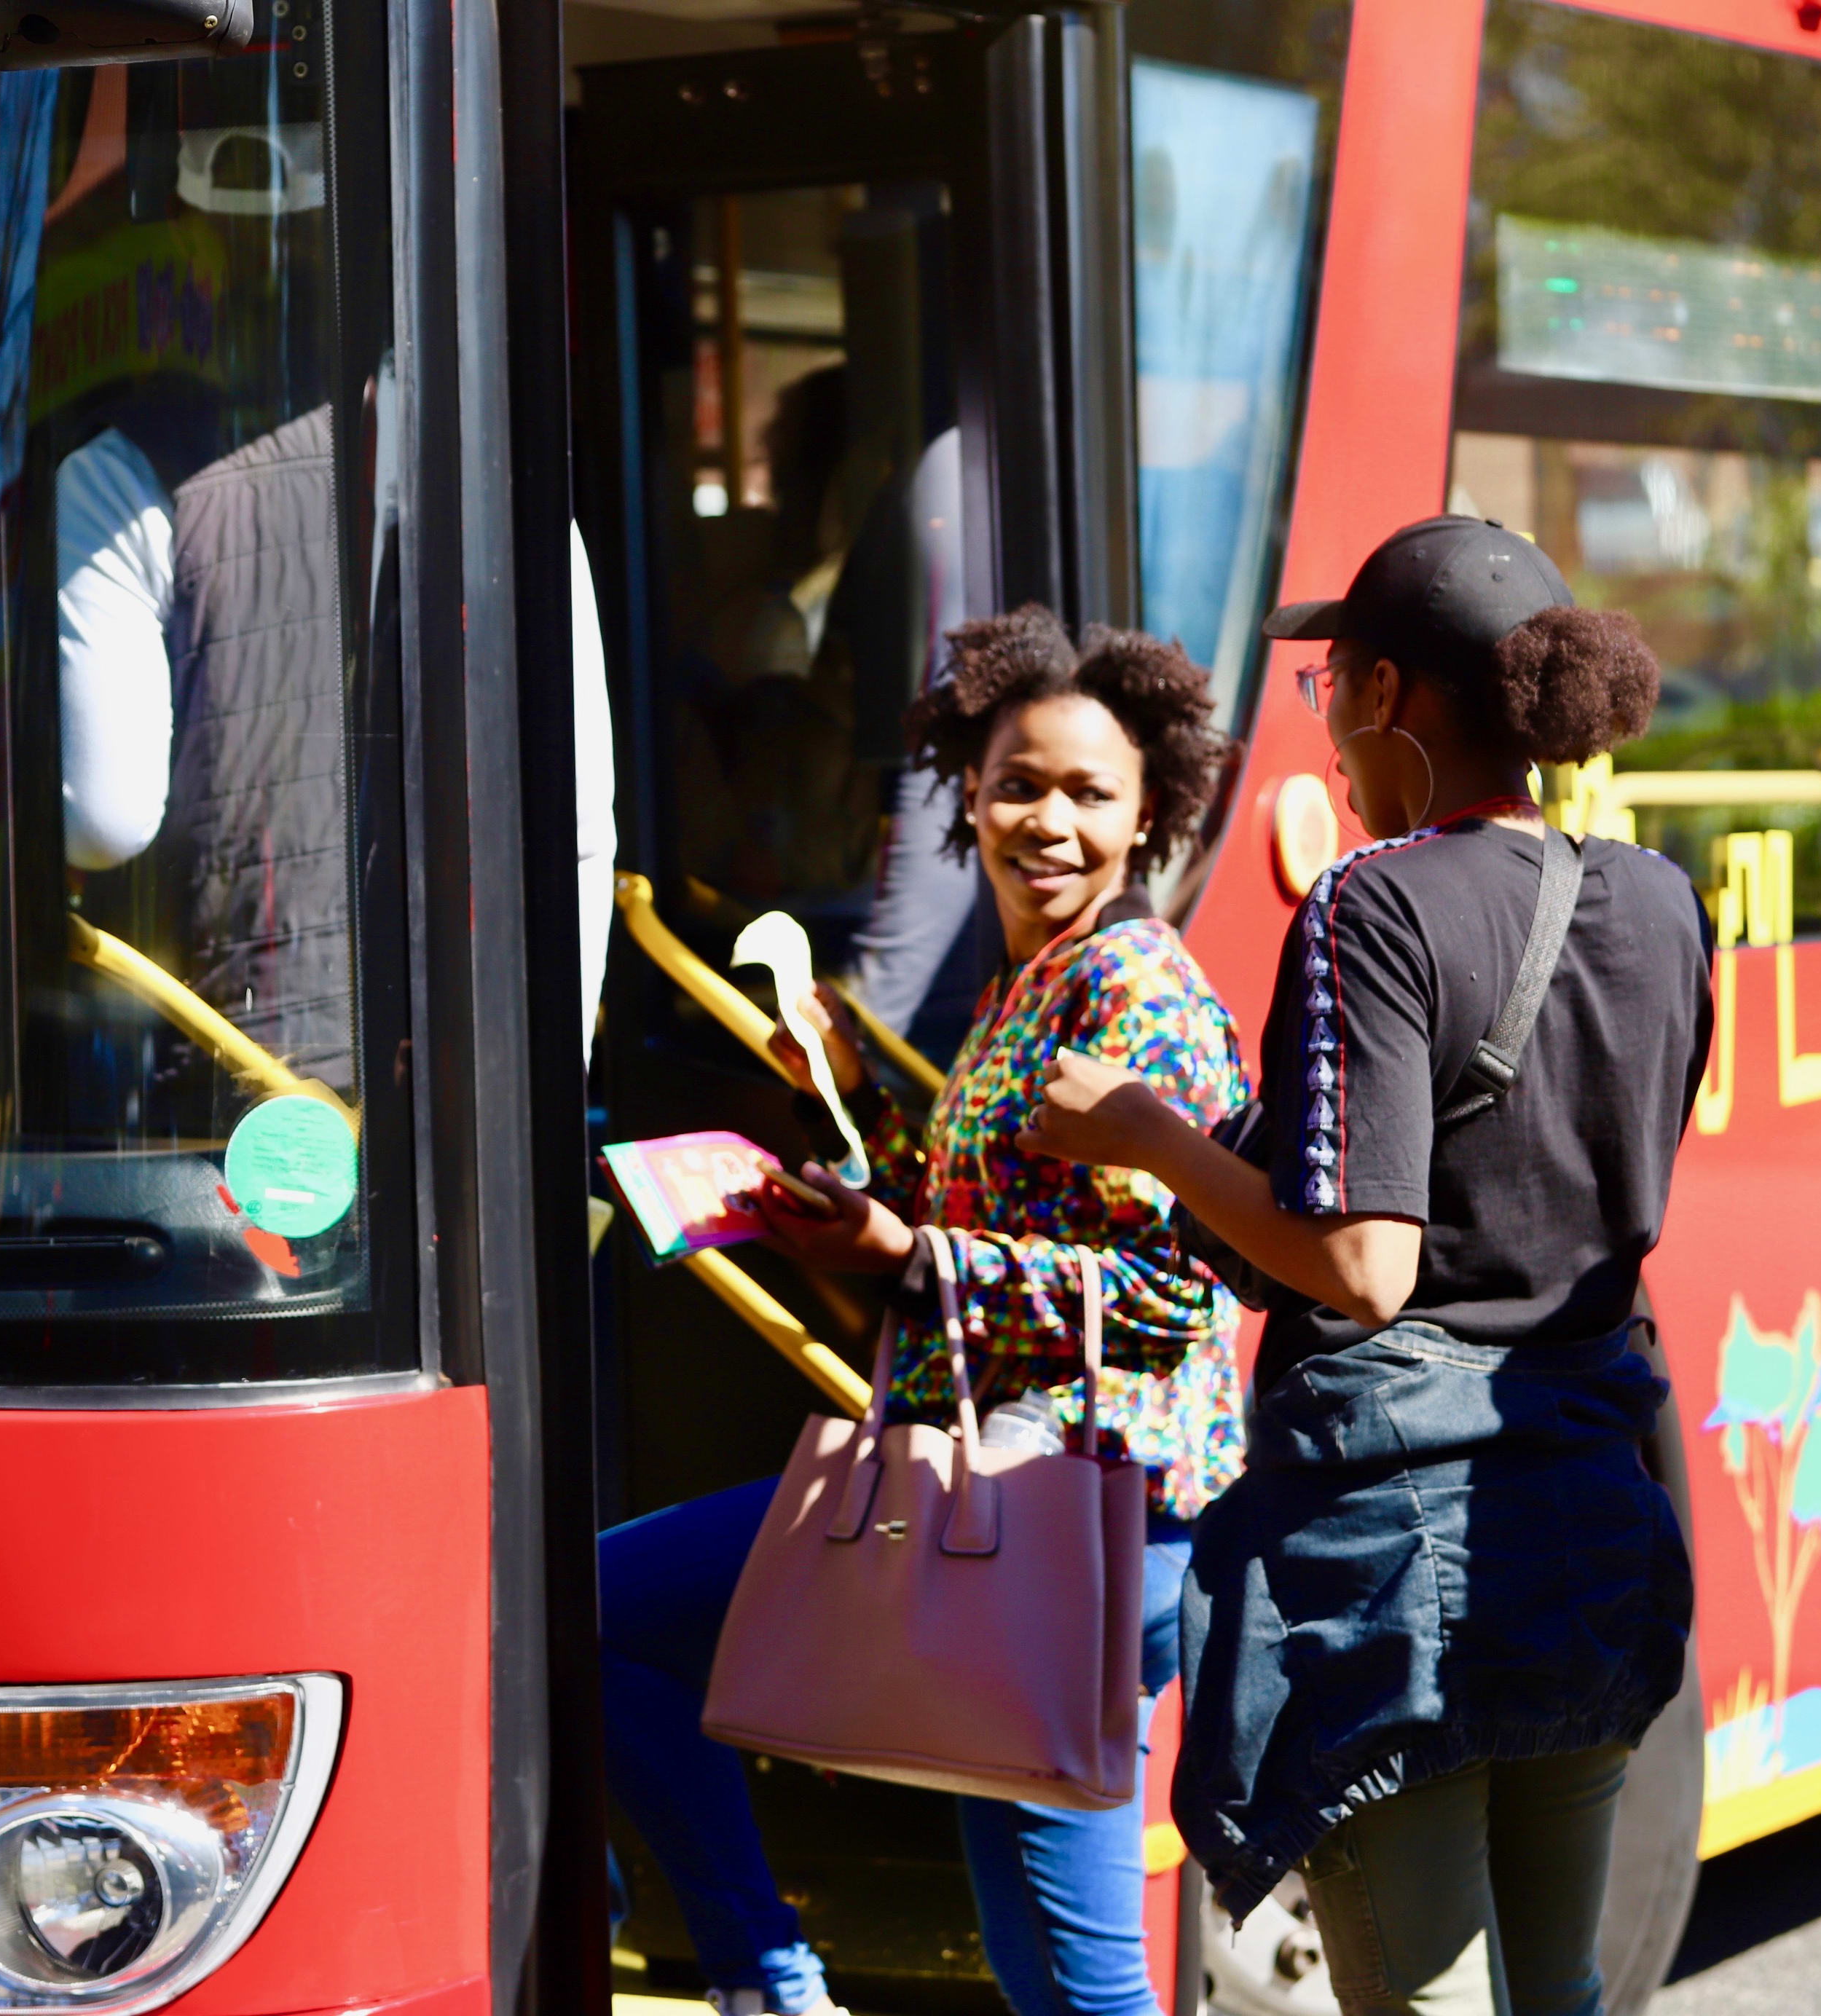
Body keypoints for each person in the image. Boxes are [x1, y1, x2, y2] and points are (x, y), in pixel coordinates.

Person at [1022, 518, 1706, 2016]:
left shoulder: (1373, 903)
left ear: (1391, 693)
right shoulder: (1658, 900)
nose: (1323, 713)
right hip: (1592, 1499)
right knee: (1562, 1991)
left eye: (1332, 678)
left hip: (1405, 1552)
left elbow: (1363, 1262)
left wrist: (1146, 1131)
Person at [598, 607, 1250, 2016]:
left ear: (1151, 818)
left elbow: (1175, 1295)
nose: (1051, 824)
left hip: (1090, 1512)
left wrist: (906, 1252)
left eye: (1092, 794)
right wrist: (857, 1104)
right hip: (1002, 1498)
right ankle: (766, 1973)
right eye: (1021, 784)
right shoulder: (1036, 980)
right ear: (968, 792)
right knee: (1046, 1973)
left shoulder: (1134, 985)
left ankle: (766, 1975)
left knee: (1082, 1983)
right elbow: (998, 1213)